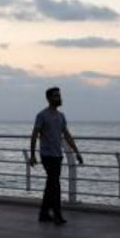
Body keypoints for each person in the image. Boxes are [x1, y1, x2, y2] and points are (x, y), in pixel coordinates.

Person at [29, 86, 83, 224]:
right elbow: (35, 135)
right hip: (47, 155)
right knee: (55, 184)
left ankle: (44, 213)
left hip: (57, 154)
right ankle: (57, 214)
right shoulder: (41, 115)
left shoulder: (61, 116)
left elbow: (67, 134)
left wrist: (76, 152)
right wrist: (32, 155)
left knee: (51, 184)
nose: (58, 98)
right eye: (55, 96)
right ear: (48, 98)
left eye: (59, 95)